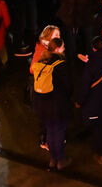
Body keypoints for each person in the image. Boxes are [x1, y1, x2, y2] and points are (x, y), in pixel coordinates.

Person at [31, 37, 72, 171]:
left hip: (43, 105)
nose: (64, 49)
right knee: (59, 132)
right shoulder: (60, 65)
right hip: (57, 106)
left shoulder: (42, 61)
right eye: (63, 46)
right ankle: (61, 160)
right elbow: (67, 87)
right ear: (58, 49)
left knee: (50, 131)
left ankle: (53, 159)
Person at [77, 35, 102, 164]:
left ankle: (101, 155)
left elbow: (85, 86)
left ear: (94, 49)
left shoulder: (91, 65)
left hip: (94, 102)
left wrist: (80, 101)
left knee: (97, 129)